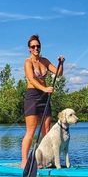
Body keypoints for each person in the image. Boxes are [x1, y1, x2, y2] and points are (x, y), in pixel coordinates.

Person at [20, 34, 64, 168]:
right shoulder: (27, 62)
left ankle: (46, 160)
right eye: (33, 46)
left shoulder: (44, 61)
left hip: (45, 97)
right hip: (33, 96)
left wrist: (61, 63)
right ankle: (24, 161)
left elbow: (58, 74)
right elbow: (31, 79)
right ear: (29, 49)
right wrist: (45, 88)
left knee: (47, 130)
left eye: (38, 46)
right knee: (31, 131)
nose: (36, 48)